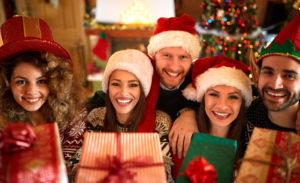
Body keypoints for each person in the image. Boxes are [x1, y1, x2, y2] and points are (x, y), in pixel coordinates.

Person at [0, 16, 87, 173]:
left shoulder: (74, 114)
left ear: (56, 81)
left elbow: (75, 170)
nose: (32, 92)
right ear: (6, 84)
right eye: (21, 82)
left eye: (41, 81)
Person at [83, 49, 173, 182]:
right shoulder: (96, 118)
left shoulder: (160, 122)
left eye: (133, 85)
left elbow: (165, 172)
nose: (123, 92)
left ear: (142, 90)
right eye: (116, 84)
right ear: (107, 87)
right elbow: (82, 164)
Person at [243, 12, 300, 150]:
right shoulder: (248, 110)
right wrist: (187, 114)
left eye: (289, 76)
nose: (275, 84)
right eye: (268, 72)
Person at [182, 55, 252, 162]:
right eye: (214, 95)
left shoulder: (252, 142)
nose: (222, 105)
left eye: (233, 97)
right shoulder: (181, 136)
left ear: (242, 102)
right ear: (203, 97)